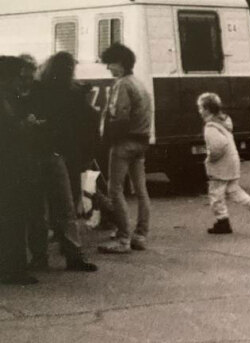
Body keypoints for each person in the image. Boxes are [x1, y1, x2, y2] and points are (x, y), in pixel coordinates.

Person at [23, 52, 98, 271]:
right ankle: (73, 254)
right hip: (62, 155)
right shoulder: (73, 93)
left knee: (37, 209)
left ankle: (39, 257)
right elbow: (87, 121)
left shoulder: (36, 90)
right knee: (66, 208)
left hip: (37, 153)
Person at [98, 43, 154, 254]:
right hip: (141, 141)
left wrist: (107, 139)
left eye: (110, 64)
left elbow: (120, 116)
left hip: (124, 143)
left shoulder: (122, 85)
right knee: (141, 190)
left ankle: (123, 238)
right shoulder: (139, 83)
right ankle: (140, 235)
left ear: (120, 63)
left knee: (115, 190)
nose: (108, 68)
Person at [198, 93, 250, 234]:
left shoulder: (210, 127)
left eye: (201, 108)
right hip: (232, 161)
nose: (199, 111)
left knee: (216, 194)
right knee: (234, 190)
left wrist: (210, 159)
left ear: (207, 109)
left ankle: (223, 222)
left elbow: (217, 146)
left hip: (221, 165)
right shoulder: (223, 121)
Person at [0, 56, 37, 284]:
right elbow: (10, 130)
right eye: (18, 76)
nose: (21, 81)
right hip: (11, 166)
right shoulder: (6, 97)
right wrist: (27, 124)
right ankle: (13, 269)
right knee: (13, 217)